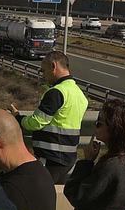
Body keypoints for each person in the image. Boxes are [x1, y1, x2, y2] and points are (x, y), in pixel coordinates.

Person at [16, 51, 89, 183]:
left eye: (44, 70)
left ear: (53, 66)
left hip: (52, 156)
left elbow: (37, 122)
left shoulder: (56, 92)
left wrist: (19, 119)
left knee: (39, 193)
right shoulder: (79, 93)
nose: (43, 75)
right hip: (68, 156)